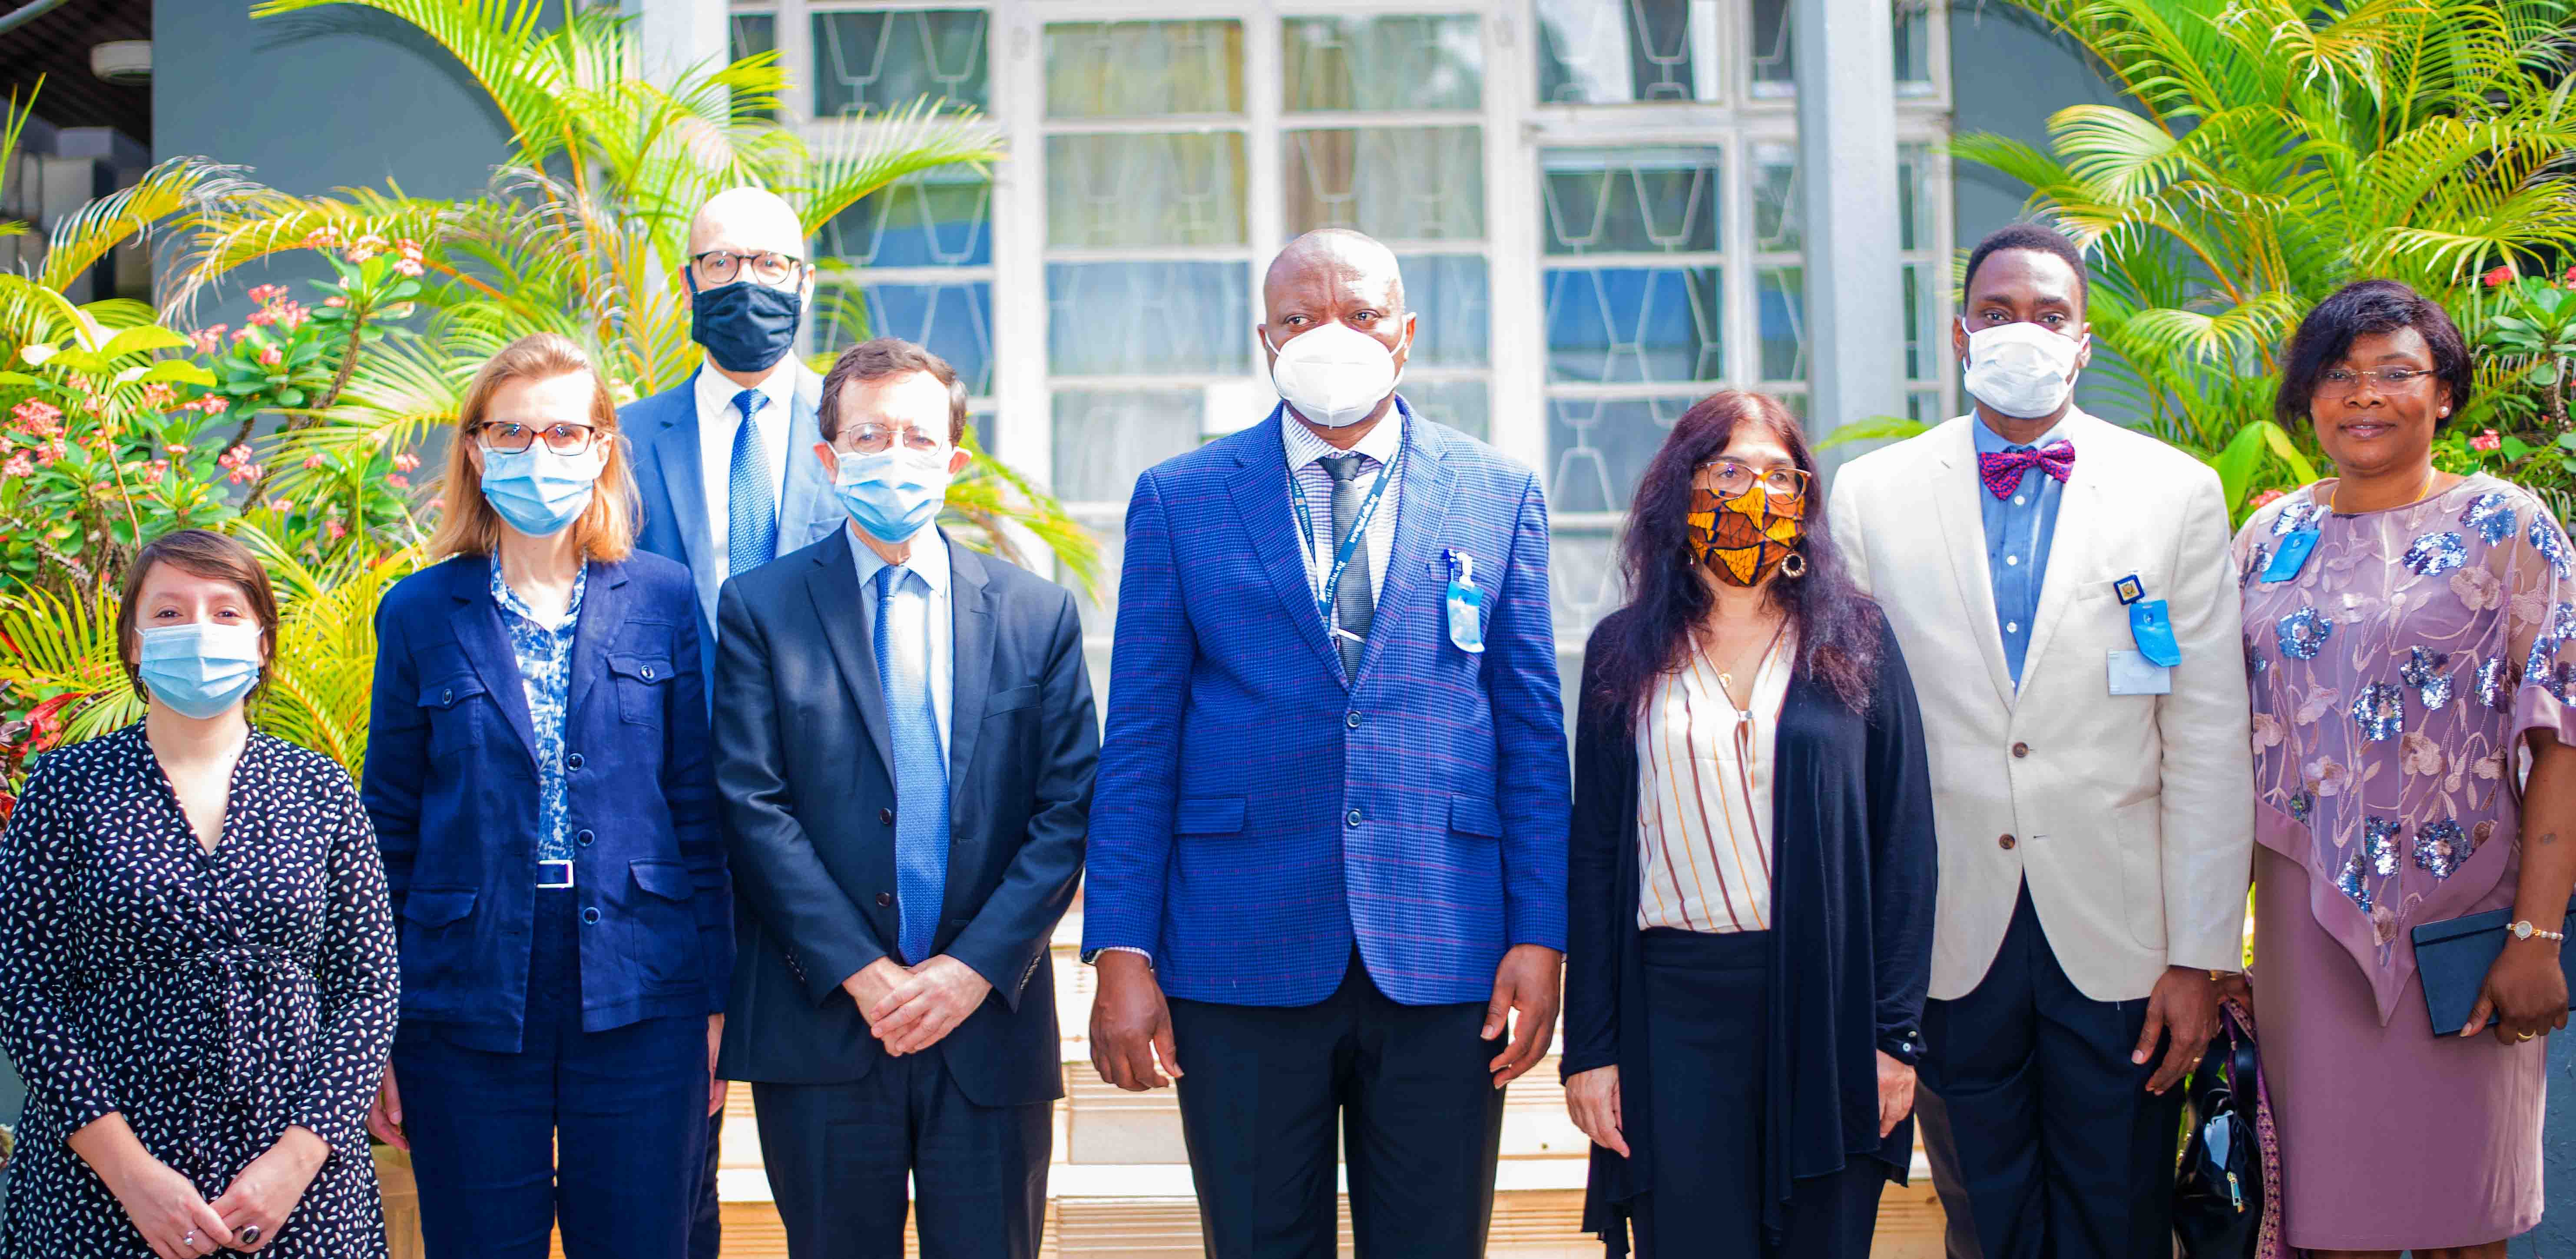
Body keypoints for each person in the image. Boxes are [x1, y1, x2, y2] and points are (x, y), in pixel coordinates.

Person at [1083, 228, 1571, 1259]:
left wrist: (1541, 935)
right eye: (1300, 319)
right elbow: (1139, 744)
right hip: (1237, 949)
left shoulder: (1497, 491)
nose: (1329, 336)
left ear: (1406, 334)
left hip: (1446, 949)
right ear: (1265, 339)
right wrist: (1120, 949)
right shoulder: (1181, 498)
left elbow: (1531, 738)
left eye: (1360, 314)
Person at [1827, 221, 2255, 1259]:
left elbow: (2206, 734)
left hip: (2124, 938)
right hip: (1948, 932)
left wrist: (2200, 956)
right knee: (1986, 1222)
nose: (2023, 331)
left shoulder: (2175, 492)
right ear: (1961, 335)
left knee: (2120, 1217)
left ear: (2082, 342)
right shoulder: (1872, 495)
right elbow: (1854, 742)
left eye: (2049, 315)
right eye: (1998, 312)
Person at [712, 338, 1095, 1259]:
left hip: (989, 1025)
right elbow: (751, 802)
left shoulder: (1035, 613)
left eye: (919, 437)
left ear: (954, 461)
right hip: (825, 1022)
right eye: (869, 435)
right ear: (827, 457)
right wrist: (863, 972)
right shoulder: (760, 607)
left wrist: (968, 972)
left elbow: (1067, 807)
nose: (894, 456)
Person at [361, 332, 731, 1259]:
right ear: (476, 448)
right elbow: (388, 827)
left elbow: (696, 810)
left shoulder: (662, 596)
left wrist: (719, 1002)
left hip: (642, 981)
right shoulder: (418, 610)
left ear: (602, 448)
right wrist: (378, 1027)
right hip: (466, 988)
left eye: (566, 432)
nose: (540, 453)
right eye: (513, 433)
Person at [2232, 279, 2571, 1256]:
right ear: (2307, 397)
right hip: (2302, 925)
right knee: (2336, 1225)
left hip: (2466, 924)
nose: (2364, 396)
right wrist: (2210, 943)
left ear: (2444, 392)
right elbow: (2216, 741)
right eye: (2338, 374)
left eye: (2394, 372)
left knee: (2469, 1222)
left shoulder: (2507, 527)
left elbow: (2560, 738)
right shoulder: (2268, 538)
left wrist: (2535, 937)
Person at [1563, 391, 1936, 1257]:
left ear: (1804, 501)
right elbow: (1596, 858)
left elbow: (1905, 846)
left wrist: (1894, 1036)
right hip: (1671, 1015)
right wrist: (1591, 1050)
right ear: (1680, 488)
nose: (1754, 492)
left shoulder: (1855, 642)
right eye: (1728, 470)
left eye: (1777, 474)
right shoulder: (1622, 652)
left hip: (1827, 1011)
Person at [0, 528, 398, 1259]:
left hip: (298, 1186)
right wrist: (131, 1174)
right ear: (134, 643)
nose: (199, 631)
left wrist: (296, 1160)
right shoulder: (66, 788)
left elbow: (367, 987)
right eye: (170, 612)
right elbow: (25, 989)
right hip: (101, 1180)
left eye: (225, 611)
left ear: (263, 643)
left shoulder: (321, 790)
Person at [622, 184, 838, 1257]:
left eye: (769, 263)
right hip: (664, 826)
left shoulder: (864, 432)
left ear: (806, 281)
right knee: (670, 1149)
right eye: (720, 263)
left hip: (828, 830)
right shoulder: (621, 439)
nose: (745, 283)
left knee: (832, 1156)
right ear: (687, 283)